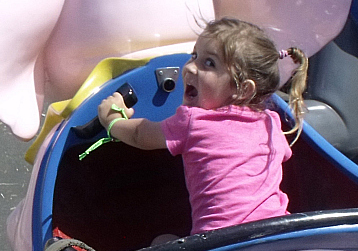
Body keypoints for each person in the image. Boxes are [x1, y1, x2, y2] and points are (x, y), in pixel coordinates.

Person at [97, 18, 308, 235]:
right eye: (194, 56)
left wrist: (111, 119)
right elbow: (283, 153)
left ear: (242, 90)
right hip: (277, 234)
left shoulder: (193, 122)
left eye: (209, 64)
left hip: (216, 243)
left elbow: (140, 134)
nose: (189, 67)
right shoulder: (271, 123)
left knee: (162, 241)